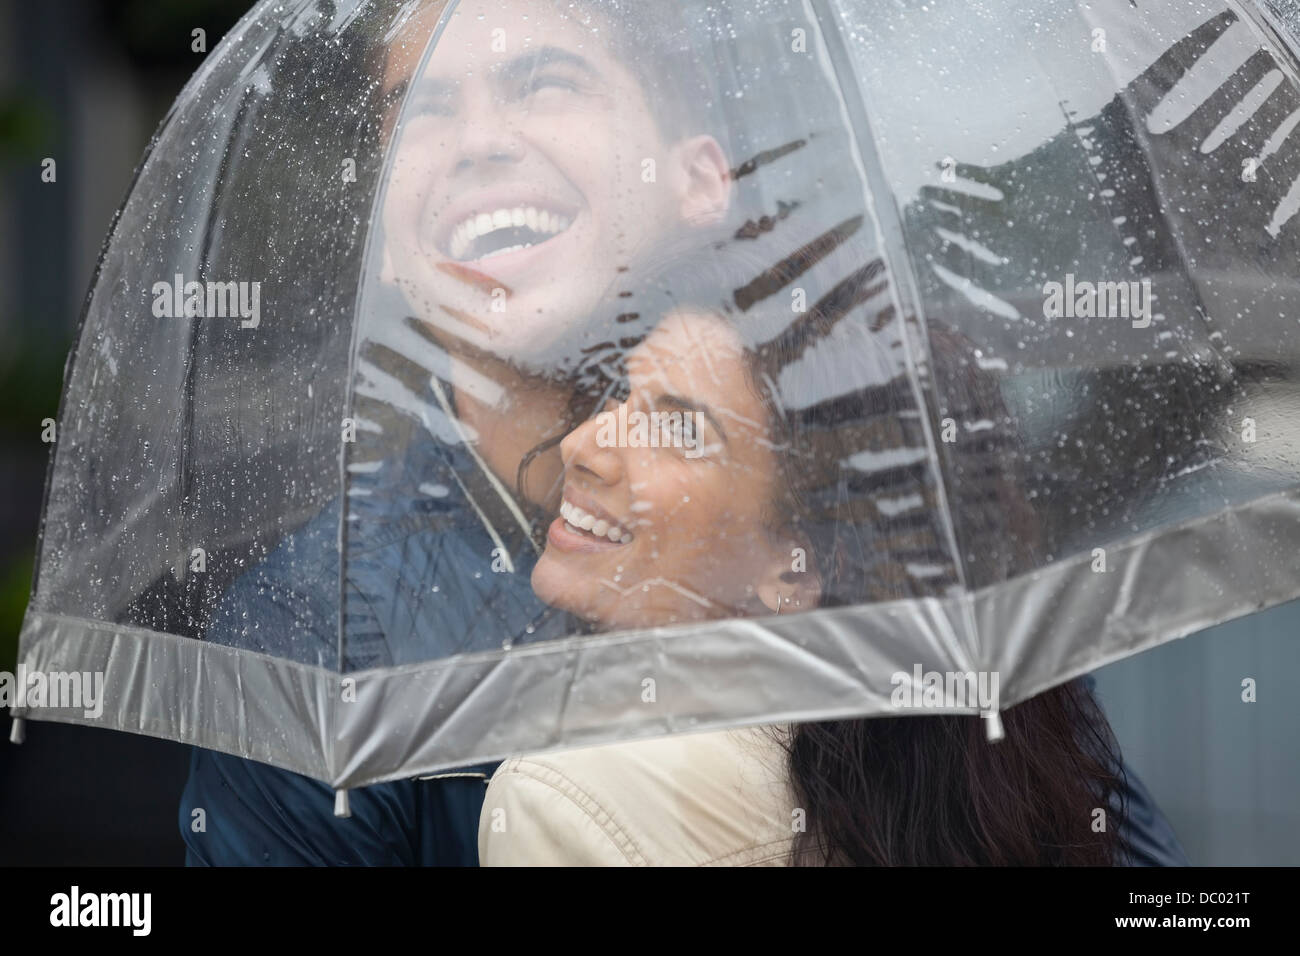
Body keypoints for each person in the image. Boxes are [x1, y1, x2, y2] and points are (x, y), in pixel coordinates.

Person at [179, 0, 730, 865]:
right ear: (389, 241)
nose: (477, 141)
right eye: (424, 109)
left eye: (545, 82)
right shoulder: (314, 635)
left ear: (698, 179)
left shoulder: (848, 530)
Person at [479, 247, 1189, 865]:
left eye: (680, 430)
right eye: (618, 396)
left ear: (795, 568)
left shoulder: (568, 797)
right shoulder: (978, 783)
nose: (581, 448)